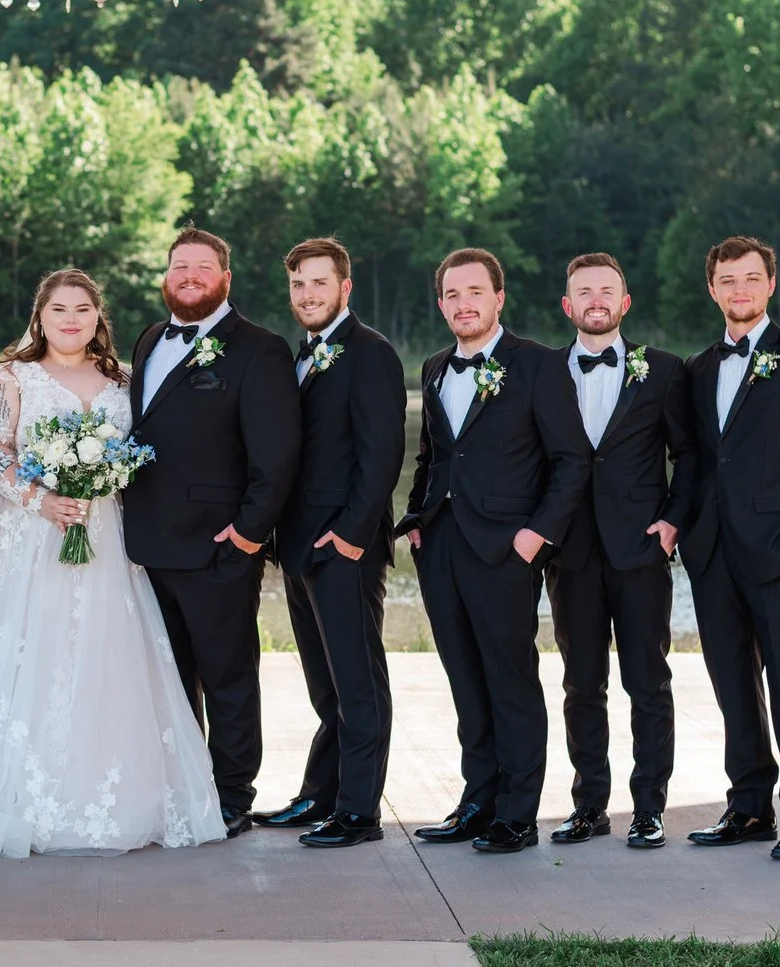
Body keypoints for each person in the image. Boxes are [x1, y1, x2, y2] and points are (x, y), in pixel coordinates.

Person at [0, 269, 226, 856]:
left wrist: (107, 480)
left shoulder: (123, 379)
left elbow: (146, 451)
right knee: (30, 653)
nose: (70, 319)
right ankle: (16, 794)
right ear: (40, 316)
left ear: (97, 319)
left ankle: (105, 791)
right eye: (59, 309)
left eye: (82, 309)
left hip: (105, 534)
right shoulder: (11, 376)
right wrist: (42, 500)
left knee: (105, 652)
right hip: (29, 535)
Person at [400, 248, 589, 855]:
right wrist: (415, 518)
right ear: (441, 304)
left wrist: (535, 535)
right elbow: (433, 455)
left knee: (510, 680)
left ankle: (517, 812)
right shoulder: (432, 368)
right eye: (452, 295)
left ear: (499, 297)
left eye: (474, 292)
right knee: (464, 679)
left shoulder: (536, 365)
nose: (464, 304)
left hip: (507, 549)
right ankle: (477, 800)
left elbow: (570, 461)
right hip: (442, 545)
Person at [121, 229, 299, 839]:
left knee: (227, 676)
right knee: (167, 680)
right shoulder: (148, 340)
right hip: (147, 545)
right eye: (179, 266)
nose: (189, 276)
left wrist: (248, 535)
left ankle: (231, 796)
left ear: (225, 278)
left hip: (218, 546)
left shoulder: (260, 349)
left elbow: (276, 458)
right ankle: (182, 786)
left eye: (202, 267)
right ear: (166, 277)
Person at [677, 236, 780, 861]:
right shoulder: (697, 368)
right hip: (714, 555)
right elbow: (693, 459)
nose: (739, 289)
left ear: (770, 285)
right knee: (732, 687)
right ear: (713, 289)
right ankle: (748, 807)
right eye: (727, 279)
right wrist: (686, 530)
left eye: (751, 278)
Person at [542, 254, 695, 850]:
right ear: (568, 306)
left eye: (607, 291)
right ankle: (589, 805)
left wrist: (672, 521)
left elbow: (690, 454)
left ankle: (650, 807)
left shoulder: (664, 371)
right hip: (570, 552)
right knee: (581, 684)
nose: (596, 300)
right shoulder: (544, 371)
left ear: (625, 303)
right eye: (584, 292)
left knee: (648, 681)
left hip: (639, 549)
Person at [259, 238, 406, 849]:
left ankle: (359, 811)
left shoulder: (370, 352)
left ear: (345, 287)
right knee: (325, 683)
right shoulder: (304, 354)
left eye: (319, 283)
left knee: (358, 681)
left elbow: (382, 456)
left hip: (341, 544)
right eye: (298, 285)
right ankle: (321, 792)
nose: (308, 294)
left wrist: (350, 536)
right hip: (296, 545)